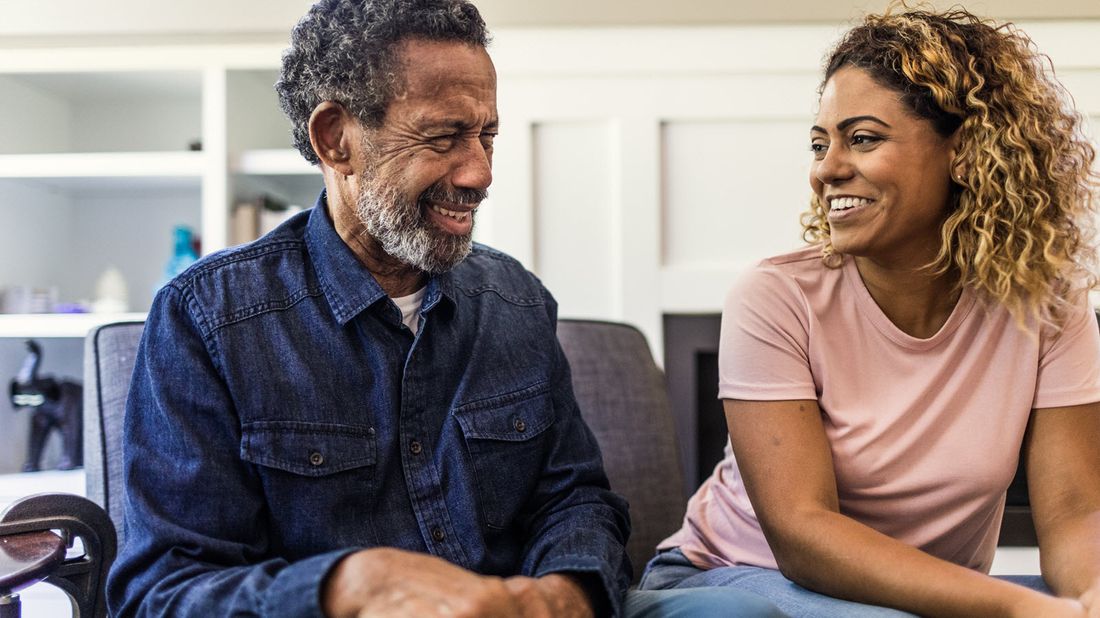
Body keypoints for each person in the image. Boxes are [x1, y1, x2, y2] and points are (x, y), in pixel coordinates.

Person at [106, 1, 784, 616]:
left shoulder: (515, 302)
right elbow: (163, 591)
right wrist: (346, 588)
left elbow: (576, 500)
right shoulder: (207, 319)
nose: (480, 173)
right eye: (443, 137)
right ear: (336, 138)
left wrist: (564, 591)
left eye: (487, 135)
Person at [640, 6, 1100, 617]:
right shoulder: (777, 296)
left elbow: (1074, 514)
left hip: (924, 595)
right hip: (732, 580)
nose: (826, 169)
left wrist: (1091, 597)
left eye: (862, 138)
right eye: (819, 143)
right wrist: (1014, 609)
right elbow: (802, 532)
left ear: (963, 153)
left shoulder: (1047, 304)